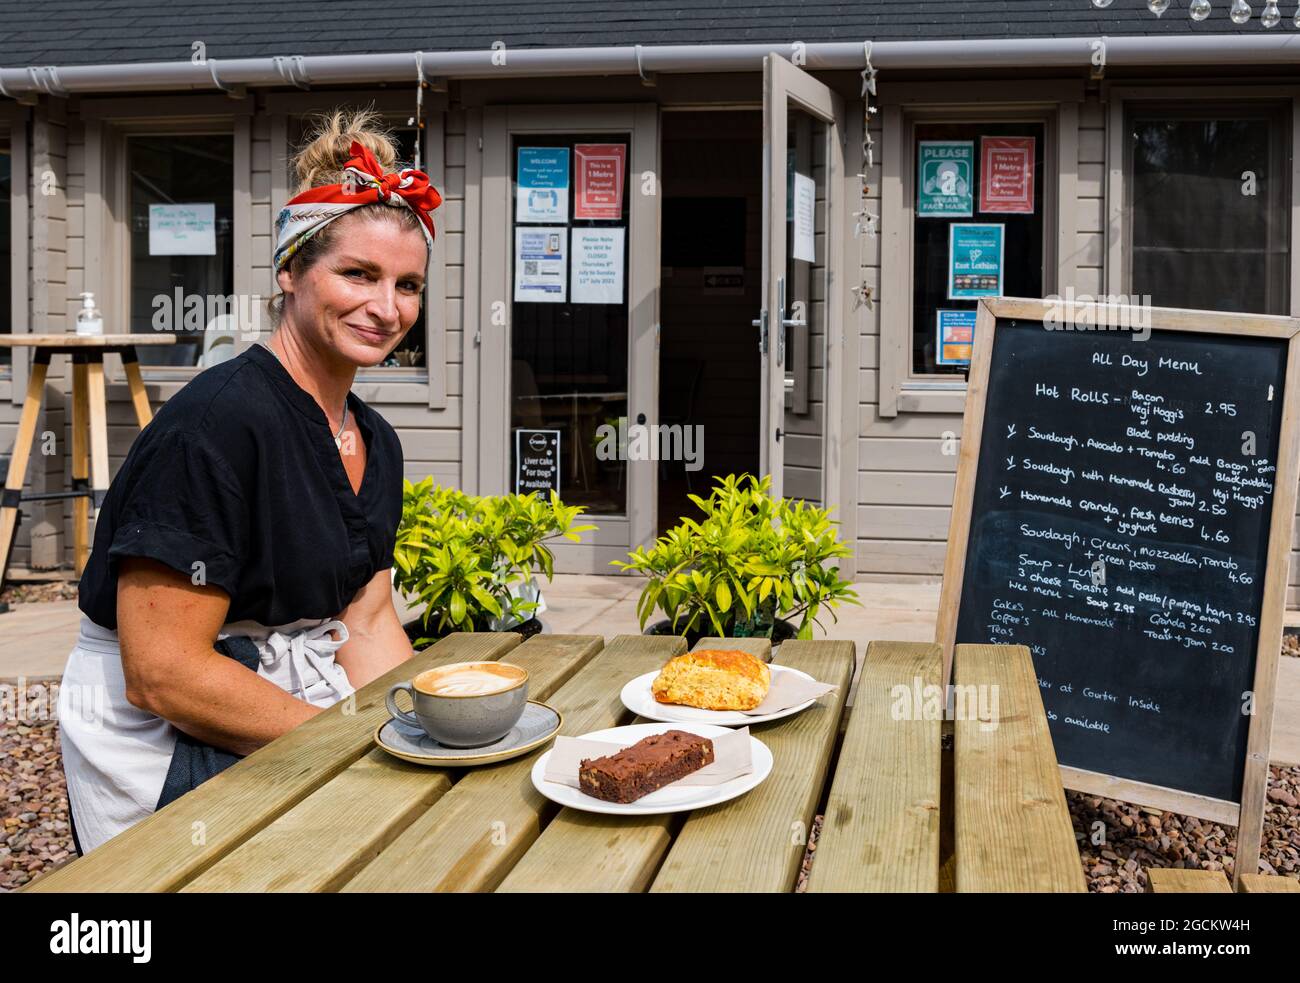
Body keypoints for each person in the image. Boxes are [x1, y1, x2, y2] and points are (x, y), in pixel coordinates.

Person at [57, 107, 442, 853]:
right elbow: (163, 674)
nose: (387, 307)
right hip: (171, 739)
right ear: (290, 271)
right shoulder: (218, 423)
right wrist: (358, 749)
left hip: (288, 713)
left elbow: (366, 623)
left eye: (407, 284)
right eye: (357, 273)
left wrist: (424, 728)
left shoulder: (376, 443)